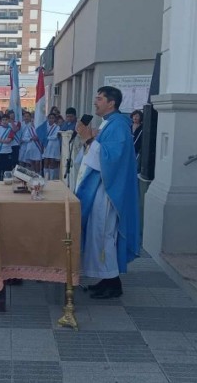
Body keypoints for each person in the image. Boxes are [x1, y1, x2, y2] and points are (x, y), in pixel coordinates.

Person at [76, 86, 141, 300]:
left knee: (104, 236)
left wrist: (87, 140)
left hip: (109, 191)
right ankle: (106, 279)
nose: (95, 102)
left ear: (111, 103)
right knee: (98, 235)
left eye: (99, 98)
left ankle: (113, 284)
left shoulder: (119, 126)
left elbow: (111, 159)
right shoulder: (109, 124)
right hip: (100, 187)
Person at [42, 112, 61, 180]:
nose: (51, 119)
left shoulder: (57, 127)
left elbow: (55, 136)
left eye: (53, 118)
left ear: (55, 119)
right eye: (50, 118)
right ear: (48, 119)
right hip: (46, 146)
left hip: (53, 146)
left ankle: (51, 178)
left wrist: (47, 137)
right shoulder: (45, 126)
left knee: (52, 162)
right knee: (46, 162)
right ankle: (45, 178)